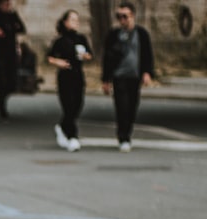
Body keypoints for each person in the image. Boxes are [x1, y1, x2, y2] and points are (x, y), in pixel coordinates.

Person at [102, 2, 155, 152]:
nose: (122, 20)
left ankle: (127, 132)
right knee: (122, 107)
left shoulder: (141, 34)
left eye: (125, 16)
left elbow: (147, 55)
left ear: (132, 16)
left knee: (132, 107)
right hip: (119, 77)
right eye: (119, 16)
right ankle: (123, 137)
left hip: (134, 76)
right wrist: (105, 80)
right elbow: (107, 58)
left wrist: (147, 73)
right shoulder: (114, 35)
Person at [47, 10, 92, 152]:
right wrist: (58, 62)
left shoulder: (81, 38)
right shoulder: (60, 41)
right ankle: (73, 137)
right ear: (65, 22)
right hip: (65, 76)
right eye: (72, 20)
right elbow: (50, 57)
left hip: (78, 75)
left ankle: (62, 127)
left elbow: (89, 54)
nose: (75, 22)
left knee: (78, 104)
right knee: (68, 105)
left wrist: (85, 56)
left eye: (77, 20)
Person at [0, 0, 26, 119]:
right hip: (0, 53)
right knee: (2, 79)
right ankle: (2, 106)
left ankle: (0, 100)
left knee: (12, 81)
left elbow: (21, 28)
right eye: (5, 4)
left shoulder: (13, 16)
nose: (7, 6)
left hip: (11, 52)